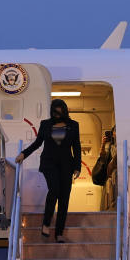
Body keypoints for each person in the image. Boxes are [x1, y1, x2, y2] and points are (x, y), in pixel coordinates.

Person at [15, 99, 81, 243]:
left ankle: (59, 233)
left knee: (64, 198)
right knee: (54, 190)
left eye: (60, 110)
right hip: (49, 164)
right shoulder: (45, 124)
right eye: (55, 111)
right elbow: (38, 143)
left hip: (66, 165)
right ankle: (46, 223)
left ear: (64, 110)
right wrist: (23, 154)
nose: (57, 114)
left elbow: (76, 147)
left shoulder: (73, 125)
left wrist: (77, 167)